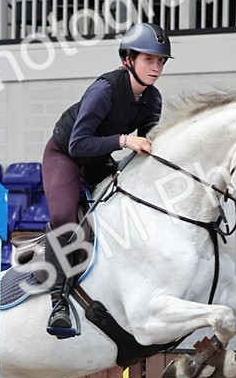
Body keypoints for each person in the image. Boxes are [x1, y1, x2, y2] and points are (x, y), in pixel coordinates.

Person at [39, 22, 172, 337]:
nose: (156, 67)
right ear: (128, 59)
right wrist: (124, 141)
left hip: (99, 159)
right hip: (66, 156)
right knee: (64, 216)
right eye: (148, 59)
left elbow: (147, 148)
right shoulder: (104, 90)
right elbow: (78, 144)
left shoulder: (153, 100)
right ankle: (58, 304)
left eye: (160, 61)